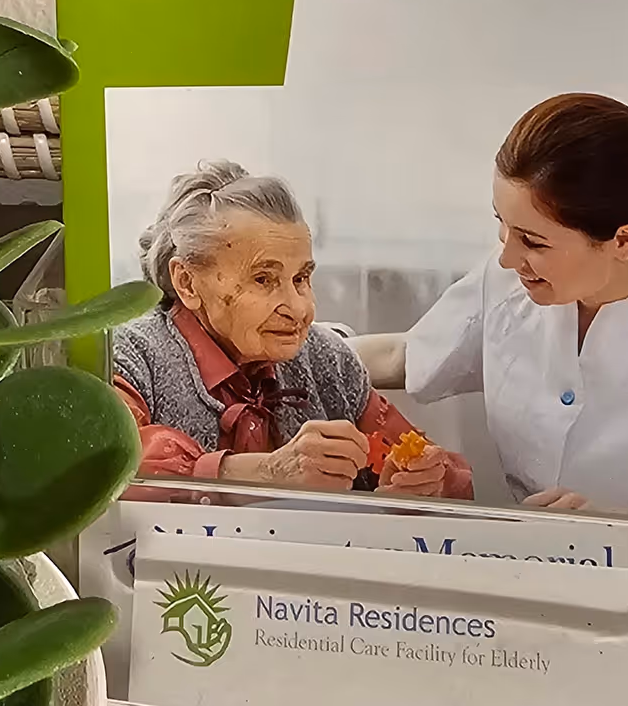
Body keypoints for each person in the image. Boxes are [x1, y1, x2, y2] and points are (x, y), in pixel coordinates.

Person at [358, 94, 628, 515]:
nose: (506, 258)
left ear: (624, 240)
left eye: (533, 241)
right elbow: (408, 355)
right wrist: (292, 345)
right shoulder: (508, 280)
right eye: (502, 224)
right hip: (531, 556)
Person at [113, 161, 471, 497]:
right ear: (188, 282)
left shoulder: (329, 362)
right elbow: (109, 466)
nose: (299, 308)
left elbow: (447, 479)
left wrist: (422, 482)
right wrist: (267, 472)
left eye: (301, 278)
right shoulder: (131, 356)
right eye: (263, 279)